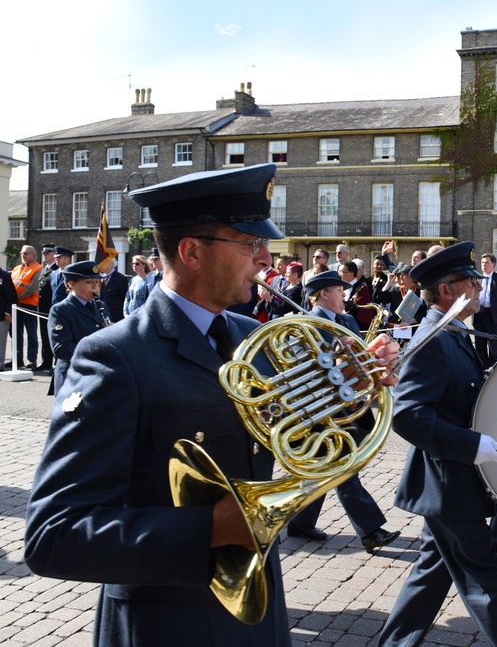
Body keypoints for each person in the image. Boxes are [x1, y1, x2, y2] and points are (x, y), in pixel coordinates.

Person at [24, 163, 399, 647]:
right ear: (192, 251)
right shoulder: (115, 356)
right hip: (168, 622)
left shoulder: (254, 337)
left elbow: (311, 443)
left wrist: (353, 392)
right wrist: (208, 528)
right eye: (250, 244)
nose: (266, 258)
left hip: (259, 609)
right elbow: (54, 534)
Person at [378, 242, 497, 647]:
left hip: (449, 484)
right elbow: (409, 415)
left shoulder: (454, 332)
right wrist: (473, 446)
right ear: (446, 291)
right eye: (470, 280)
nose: (478, 285)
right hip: (448, 484)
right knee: (486, 584)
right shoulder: (433, 339)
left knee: (430, 573)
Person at [285, 271, 401, 552]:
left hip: (351, 405)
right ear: (323, 294)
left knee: (328, 466)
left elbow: (362, 359)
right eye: (340, 290)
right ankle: (370, 530)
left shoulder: (347, 320)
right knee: (343, 467)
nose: (345, 296)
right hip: (323, 410)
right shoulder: (306, 324)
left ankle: (300, 521)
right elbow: (302, 369)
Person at [47, 260, 112, 394]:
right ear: (71, 284)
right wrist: (98, 348)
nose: (95, 287)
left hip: (97, 375)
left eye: (96, 282)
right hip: (73, 377)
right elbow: (61, 349)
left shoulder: (101, 306)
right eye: (89, 282)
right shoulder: (61, 310)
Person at [471, 253, 497, 368]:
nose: (484, 265)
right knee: (480, 347)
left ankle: (494, 370)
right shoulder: (476, 279)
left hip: (493, 316)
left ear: (493, 264)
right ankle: (482, 370)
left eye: (486, 263)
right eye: (482, 263)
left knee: (494, 347)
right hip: (479, 315)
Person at [12, 244, 43, 370]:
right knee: (16, 333)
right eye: (21, 253)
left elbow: (32, 289)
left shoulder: (38, 268)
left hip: (29, 305)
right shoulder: (16, 269)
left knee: (31, 333)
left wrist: (16, 299)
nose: (22, 256)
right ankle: (18, 359)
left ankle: (31, 359)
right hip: (16, 306)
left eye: (25, 253)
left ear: (33, 255)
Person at [37, 243, 57, 372]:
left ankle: (54, 363)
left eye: (47, 253)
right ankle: (46, 361)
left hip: (51, 308)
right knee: (44, 335)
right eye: (43, 253)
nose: (44, 255)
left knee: (52, 336)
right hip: (42, 308)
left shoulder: (56, 270)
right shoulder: (45, 269)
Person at [339, 260, 374, 329]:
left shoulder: (361, 288)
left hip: (354, 327)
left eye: (342, 272)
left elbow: (362, 313)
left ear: (351, 274)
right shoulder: (339, 287)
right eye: (338, 271)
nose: (339, 274)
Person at [0, 266, 18, 370]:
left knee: (1, 341)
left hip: (1, 315)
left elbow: (12, 297)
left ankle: (0, 363)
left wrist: (8, 313)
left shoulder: (5, 276)